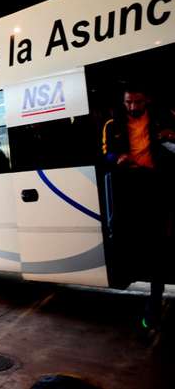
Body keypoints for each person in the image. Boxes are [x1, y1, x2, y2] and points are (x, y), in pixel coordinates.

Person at [102, 86, 174, 332]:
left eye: (138, 102)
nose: (133, 107)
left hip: (159, 186)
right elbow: (106, 154)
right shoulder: (113, 125)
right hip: (131, 190)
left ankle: (153, 305)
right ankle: (141, 289)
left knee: (159, 246)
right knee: (134, 242)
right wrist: (118, 158)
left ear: (148, 99)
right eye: (129, 102)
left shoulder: (165, 118)